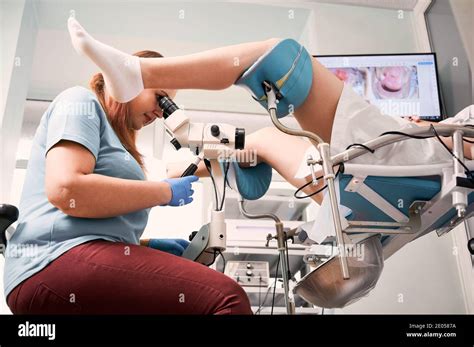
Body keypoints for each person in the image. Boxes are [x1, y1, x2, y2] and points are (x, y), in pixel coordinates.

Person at [4, 48, 252, 315]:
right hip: (51, 261)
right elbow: (66, 189)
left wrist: (148, 245)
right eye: (160, 98)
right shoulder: (79, 102)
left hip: (69, 261)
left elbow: (97, 218)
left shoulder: (118, 143)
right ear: (127, 79)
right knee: (226, 297)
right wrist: (163, 193)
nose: (161, 113)